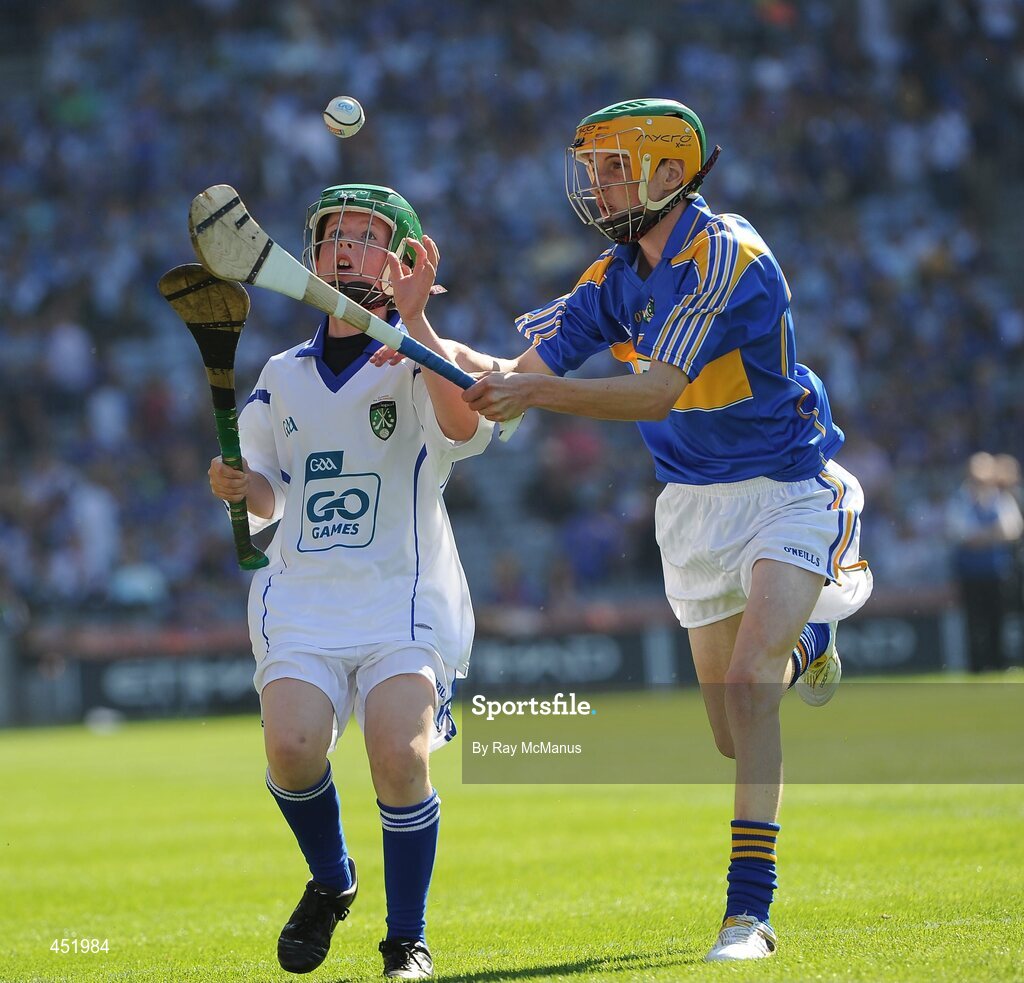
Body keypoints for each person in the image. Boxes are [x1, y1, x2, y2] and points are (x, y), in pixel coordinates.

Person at [385, 99, 873, 961]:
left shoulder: (727, 256)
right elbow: (512, 374)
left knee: (752, 691)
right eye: (597, 168)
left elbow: (658, 392)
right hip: (691, 506)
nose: (599, 185)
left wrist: (530, 394)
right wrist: (419, 328)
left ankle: (748, 914)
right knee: (731, 726)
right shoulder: (612, 279)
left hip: (785, 487)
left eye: (615, 166)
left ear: (669, 175)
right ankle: (812, 640)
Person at [208, 184, 492, 980]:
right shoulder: (282, 373)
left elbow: (466, 429)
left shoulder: (424, 354)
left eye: (367, 238)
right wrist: (240, 485)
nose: (345, 250)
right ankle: (333, 881)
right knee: (291, 750)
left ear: (402, 261)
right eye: (335, 234)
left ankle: (407, 940)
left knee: (399, 756)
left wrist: (421, 328)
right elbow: (273, 488)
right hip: (302, 597)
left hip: (402, 595)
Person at [946, 451, 1023, 671]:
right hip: (970, 572)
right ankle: (977, 665)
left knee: (999, 619)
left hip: (997, 571)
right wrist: (992, 534)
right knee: (974, 621)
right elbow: (962, 535)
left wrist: (981, 536)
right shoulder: (960, 499)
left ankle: (1000, 663)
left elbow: (1012, 530)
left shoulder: (999, 498)